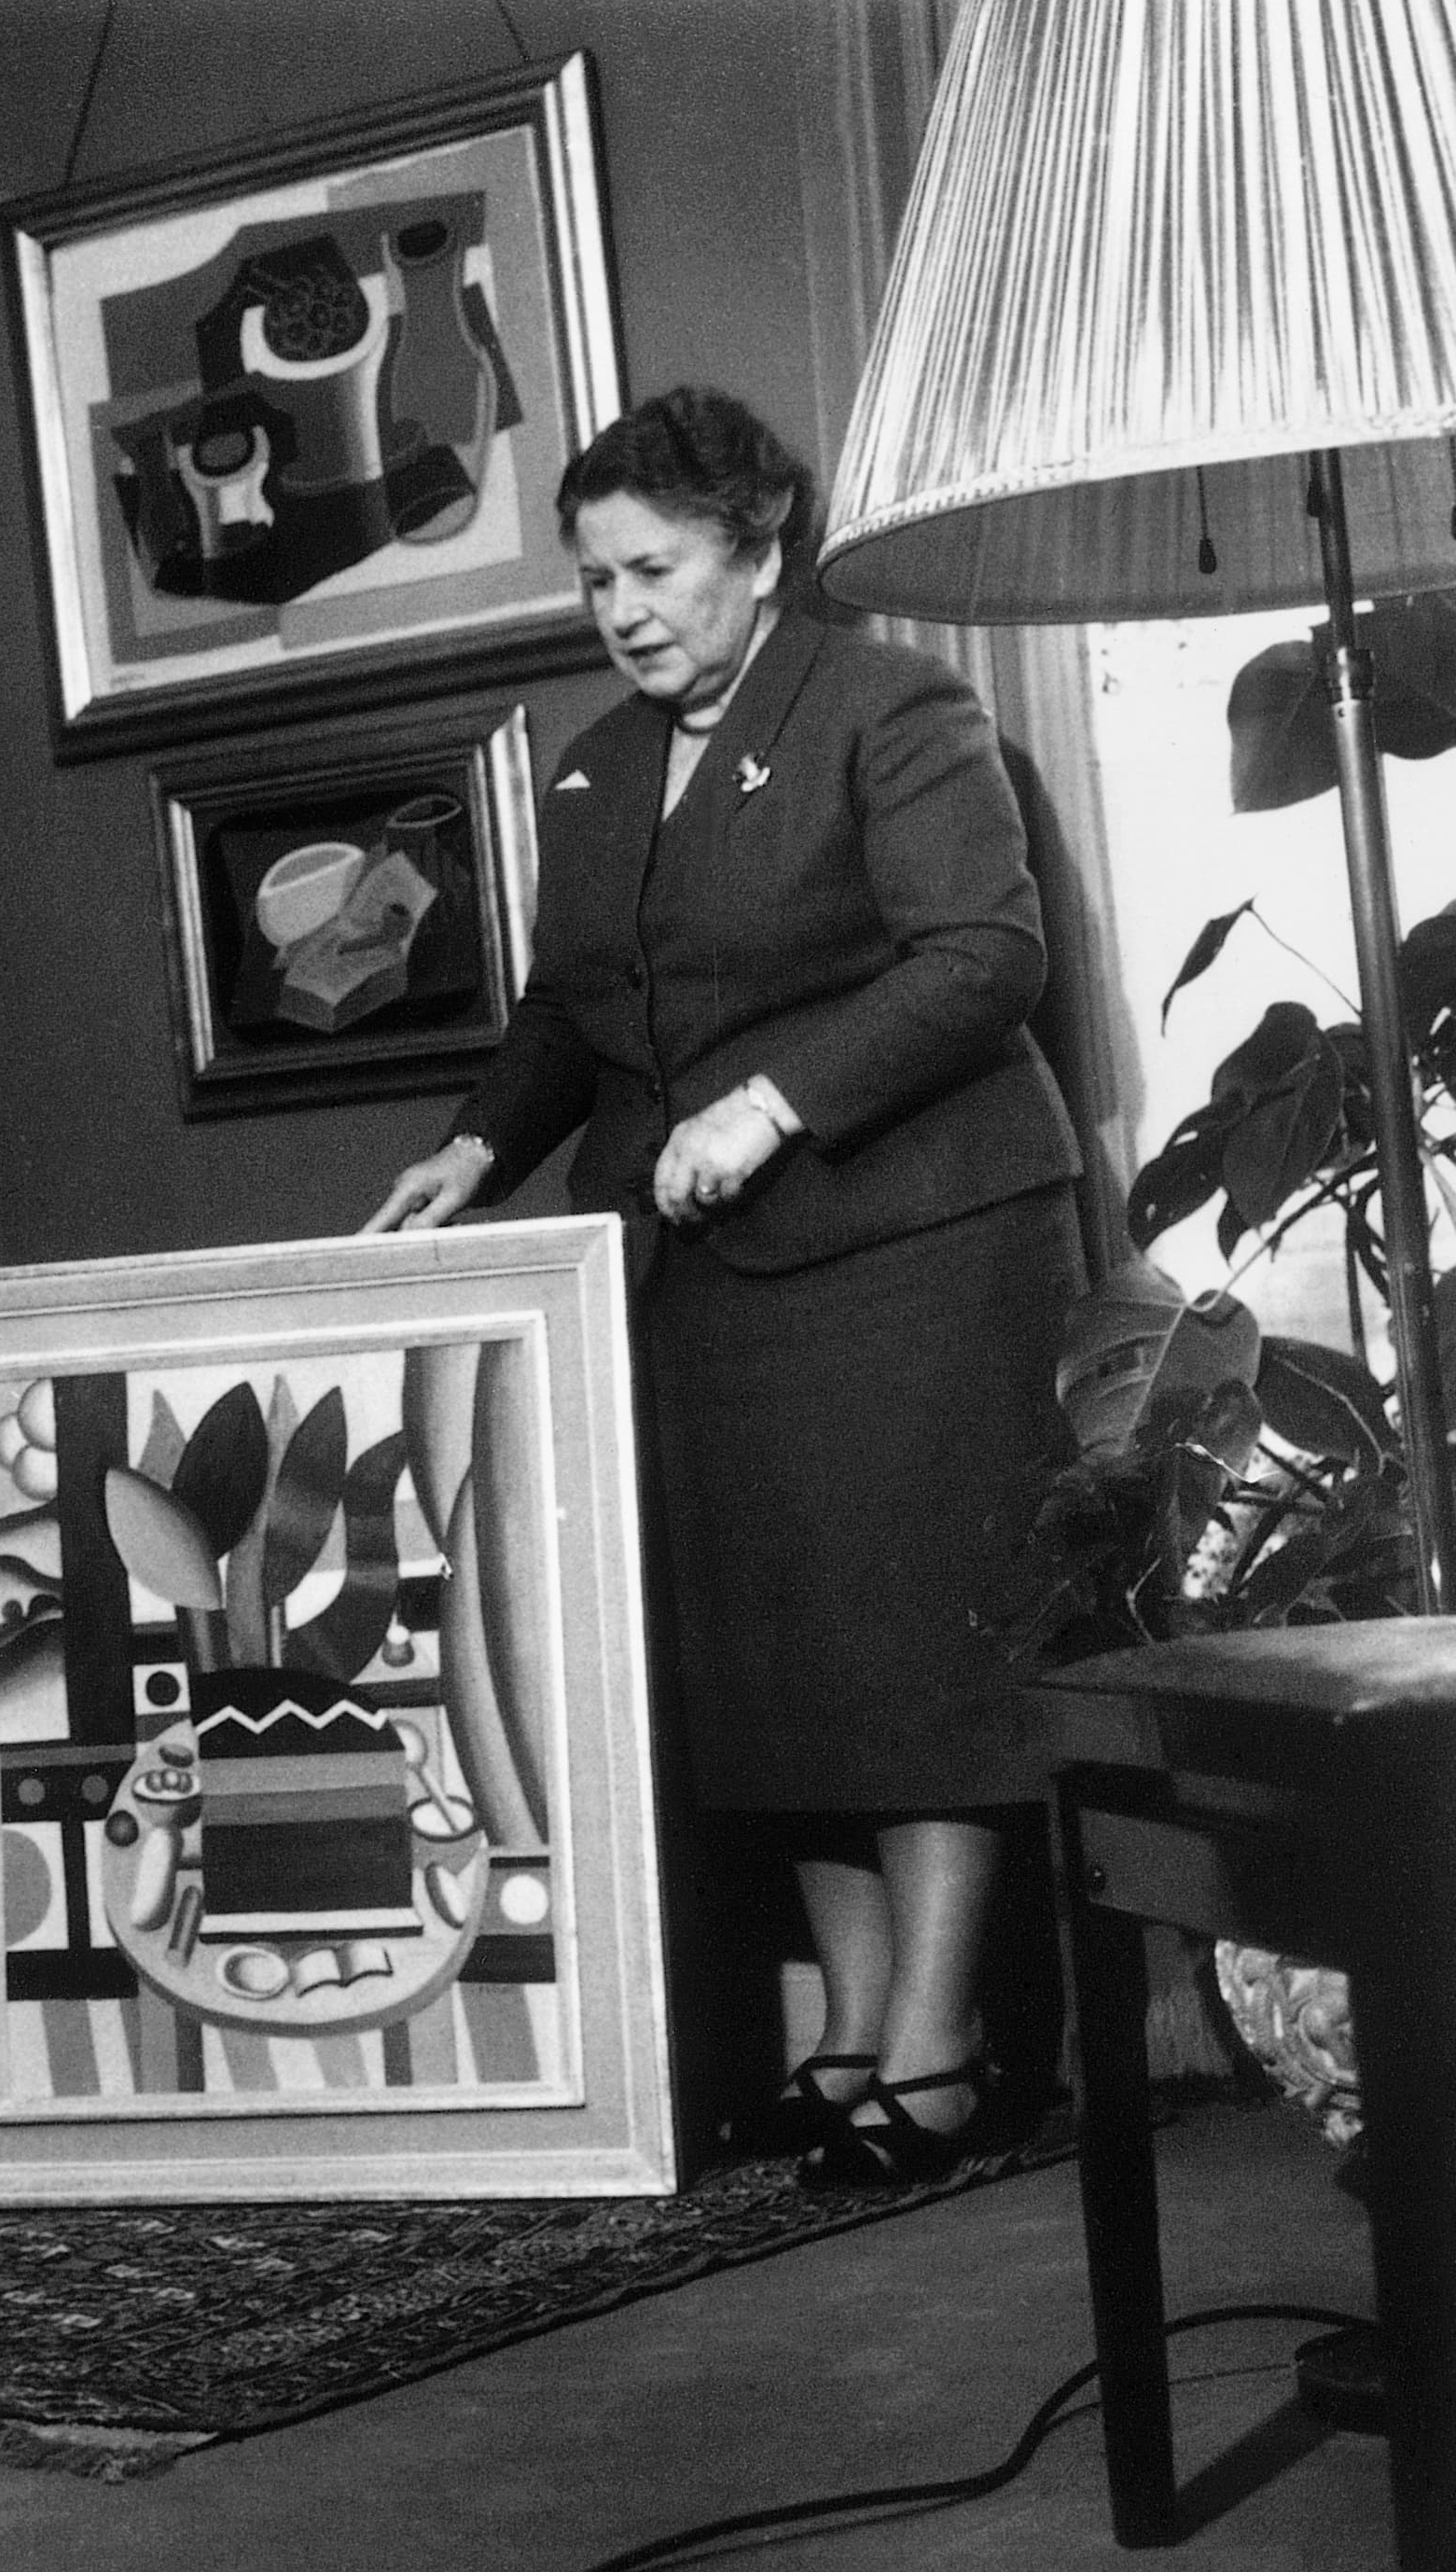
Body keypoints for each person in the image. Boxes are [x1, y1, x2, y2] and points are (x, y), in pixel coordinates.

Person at [365, 385, 1084, 2193]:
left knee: (908, 1657)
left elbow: (987, 956)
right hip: (698, 1276)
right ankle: (848, 2036)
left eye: (656, 569)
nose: (621, 608)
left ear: (759, 554)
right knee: (779, 1673)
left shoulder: (889, 706)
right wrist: (478, 1147)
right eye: (596, 576)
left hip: (912, 1252)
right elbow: (569, 1010)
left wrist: (778, 1100)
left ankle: (944, 2047)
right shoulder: (598, 763)